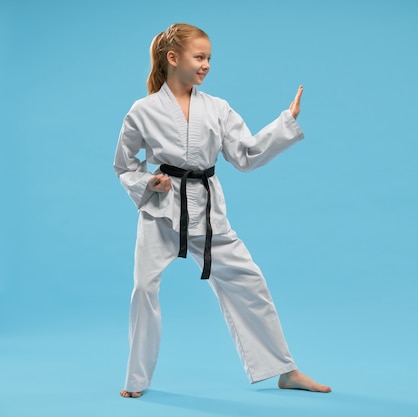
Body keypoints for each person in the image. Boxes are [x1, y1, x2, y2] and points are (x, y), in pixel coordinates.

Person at [113, 23, 331, 398]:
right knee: (143, 288)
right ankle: (136, 380)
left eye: (209, 58)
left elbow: (245, 155)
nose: (206, 65)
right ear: (173, 58)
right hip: (161, 214)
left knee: (250, 281)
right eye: (199, 57)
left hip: (207, 210)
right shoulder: (143, 110)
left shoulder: (217, 108)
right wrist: (148, 183)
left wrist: (286, 122)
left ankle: (285, 369)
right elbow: (123, 164)